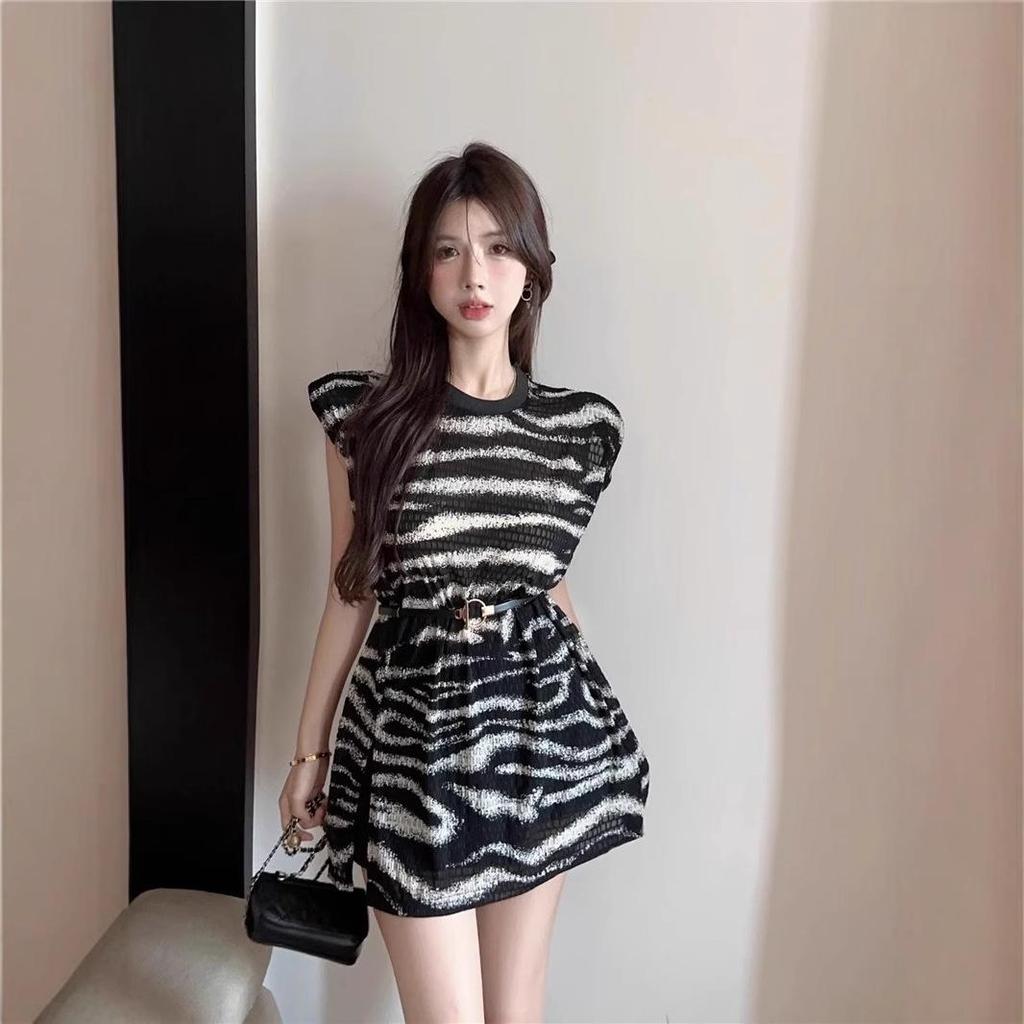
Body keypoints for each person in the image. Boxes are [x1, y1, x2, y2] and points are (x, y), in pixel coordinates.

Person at [280, 141, 650, 1023]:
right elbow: (351, 589)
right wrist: (311, 751)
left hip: (540, 739)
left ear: (533, 268)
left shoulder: (578, 430)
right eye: (448, 250)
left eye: (497, 247)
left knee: (515, 1010)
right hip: (412, 744)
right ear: (421, 271)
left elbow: (547, 586)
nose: (474, 274)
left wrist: (595, 718)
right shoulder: (366, 419)